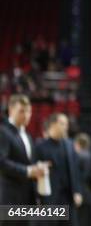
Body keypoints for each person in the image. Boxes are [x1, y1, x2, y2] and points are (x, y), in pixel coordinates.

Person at [0, 95, 48, 225]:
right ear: (11, 110)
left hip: (27, 198)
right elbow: (2, 163)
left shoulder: (27, 135)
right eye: (22, 111)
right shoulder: (3, 132)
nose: (26, 115)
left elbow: (27, 163)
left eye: (29, 111)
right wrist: (27, 171)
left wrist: (38, 168)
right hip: (10, 198)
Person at [34, 113, 83, 225]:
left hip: (68, 198)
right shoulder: (40, 147)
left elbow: (76, 171)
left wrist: (78, 191)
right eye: (62, 123)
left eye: (66, 124)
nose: (66, 127)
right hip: (49, 199)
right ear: (52, 124)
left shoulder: (69, 145)